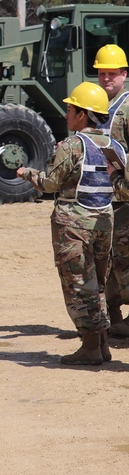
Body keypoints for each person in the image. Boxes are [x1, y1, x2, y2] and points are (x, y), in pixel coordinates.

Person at [17, 82, 125, 365]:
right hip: (104, 222)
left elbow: (50, 183)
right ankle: (101, 344)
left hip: (73, 226)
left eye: (70, 109)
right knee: (98, 283)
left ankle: (90, 347)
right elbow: (123, 189)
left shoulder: (72, 145)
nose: (66, 114)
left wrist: (27, 173)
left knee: (79, 285)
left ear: (82, 114)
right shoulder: (115, 146)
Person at [91, 45, 129, 336]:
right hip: (101, 196)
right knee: (106, 259)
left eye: (112, 74)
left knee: (126, 258)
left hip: (125, 197)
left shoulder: (126, 109)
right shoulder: (96, 105)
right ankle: (112, 313)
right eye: (102, 73)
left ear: (124, 75)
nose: (106, 79)